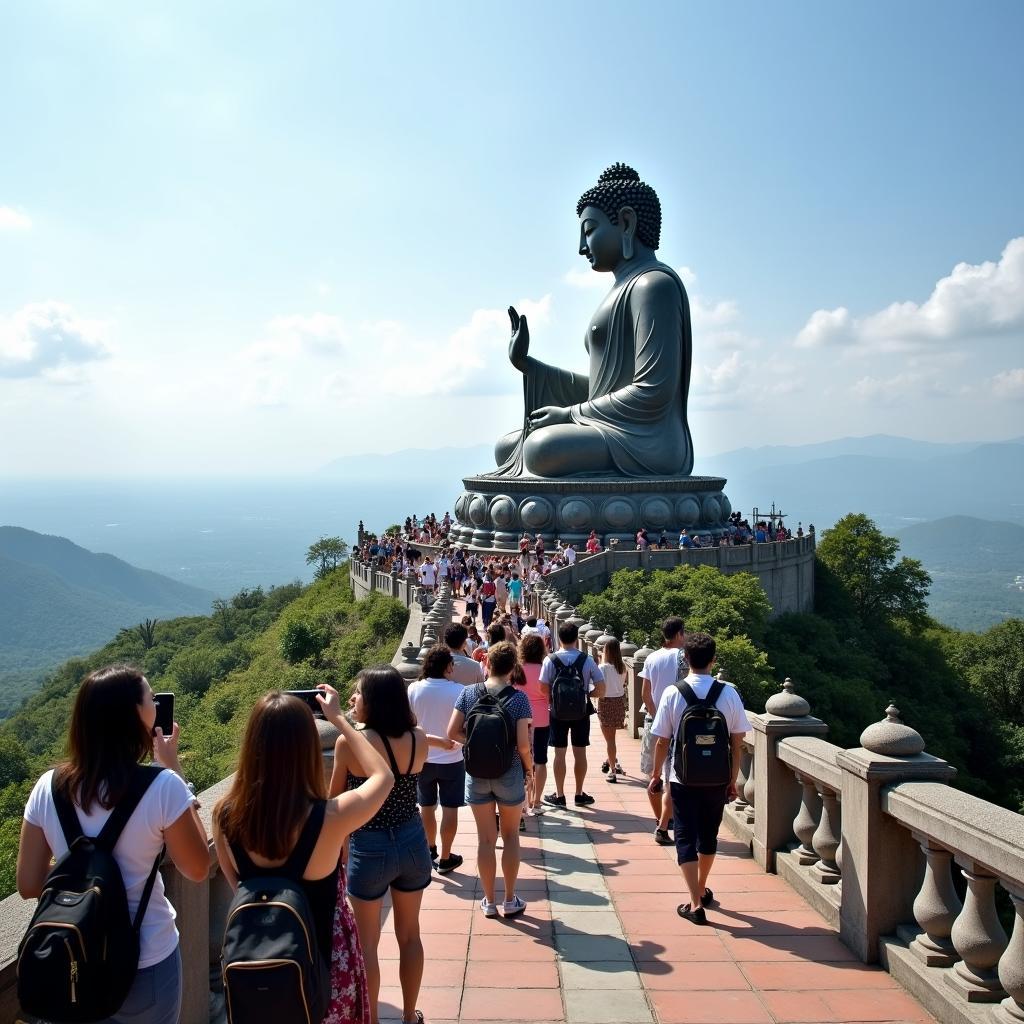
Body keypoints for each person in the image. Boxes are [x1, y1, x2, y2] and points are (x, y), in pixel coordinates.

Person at [18, 665, 210, 1024]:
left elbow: (29, 884)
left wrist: (83, 872)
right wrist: (175, 770)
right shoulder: (163, 786)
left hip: (71, 958)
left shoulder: (48, 786)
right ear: (136, 716)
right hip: (146, 961)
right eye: (150, 699)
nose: (156, 703)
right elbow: (197, 868)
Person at [215, 685, 393, 1024]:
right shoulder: (330, 817)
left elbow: (239, 887)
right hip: (325, 972)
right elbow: (382, 777)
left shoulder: (225, 818)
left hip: (256, 973)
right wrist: (340, 720)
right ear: (308, 750)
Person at [330, 667, 437, 1024]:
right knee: (410, 935)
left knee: (367, 946)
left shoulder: (350, 744)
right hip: (411, 838)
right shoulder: (419, 738)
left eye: (358, 693)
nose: (352, 700)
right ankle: (409, 1016)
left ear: (373, 700)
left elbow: (335, 802)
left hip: (368, 843)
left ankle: (371, 1019)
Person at [649, 633, 751, 924]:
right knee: (708, 835)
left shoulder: (673, 693)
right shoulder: (728, 693)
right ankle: (702, 885)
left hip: (683, 778)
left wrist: (657, 775)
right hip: (717, 778)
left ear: (686, 660)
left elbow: (661, 741)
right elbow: (737, 741)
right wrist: (732, 779)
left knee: (684, 835)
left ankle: (695, 902)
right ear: (713, 659)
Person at [447, 642, 533, 919]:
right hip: (509, 772)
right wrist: (529, 771)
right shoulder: (519, 699)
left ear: (487, 664)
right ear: (512, 667)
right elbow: (522, 745)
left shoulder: (468, 693)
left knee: (486, 840)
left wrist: (472, 744)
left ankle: (488, 901)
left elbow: (452, 731)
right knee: (510, 837)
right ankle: (510, 900)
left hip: (476, 773)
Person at [408, 647, 467, 874]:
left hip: (422, 758)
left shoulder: (413, 689)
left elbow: (409, 724)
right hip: (452, 758)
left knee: (426, 807)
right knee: (450, 808)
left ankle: (430, 849)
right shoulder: (460, 691)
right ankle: (445, 857)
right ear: (446, 666)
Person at [540, 622, 605, 808]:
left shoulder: (550, 660)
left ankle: (560, 796)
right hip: (581, 713)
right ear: (577, 638)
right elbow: (601, 688)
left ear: (558, 638)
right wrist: (586, 695)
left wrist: (554, 700)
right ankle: (578, 793)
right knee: (580, 752)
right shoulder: (587, 660)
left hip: (557, 713)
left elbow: (542, 687)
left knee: (559, 754)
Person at [640, 616, 686, 844]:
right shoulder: (683, 658)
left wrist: (657, 716)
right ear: (679, 635)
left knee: (654, 776)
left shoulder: (651, 657)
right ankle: (663, 825)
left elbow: (645, 694)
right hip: (678, 725)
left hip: (653, 722)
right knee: (672, 778)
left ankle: (660, 821)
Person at [516, 633, 550, 815]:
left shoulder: (517, 669)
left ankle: (522, 803)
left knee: (522, 759)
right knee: (541, 760)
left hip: (521, 719)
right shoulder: (545, 668)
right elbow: (548, 694)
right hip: (542, 718)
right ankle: (536, 802)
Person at [598, 638, 628, 782]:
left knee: (610, 740)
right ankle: (611, 760)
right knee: (611, 738)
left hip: (606, 702)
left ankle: (613, 770)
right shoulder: (622, 668)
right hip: (618, 702)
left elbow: (599, 686)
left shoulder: (603, 668)